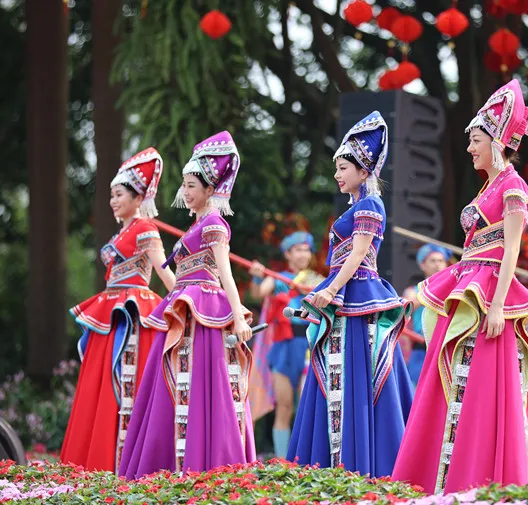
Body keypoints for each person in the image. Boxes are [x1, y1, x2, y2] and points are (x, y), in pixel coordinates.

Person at [392, 78, 528, 494]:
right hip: (467, 286)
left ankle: (479, 473)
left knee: (481, 387)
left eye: (476, 140)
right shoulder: (488, 186)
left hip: (486, 295)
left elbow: (511, 251)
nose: (470, 148)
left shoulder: (513, 187)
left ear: (497, 141)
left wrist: (499, 304)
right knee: (453, 382)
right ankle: (446, 474)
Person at [118, 131, 255, 478]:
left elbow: (225, 273)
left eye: (192, 185)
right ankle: (166, 465)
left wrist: (238, 315)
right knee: (170, 387)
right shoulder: (197, 224)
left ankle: (203, 464)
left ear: (210, 190)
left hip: (203, 316)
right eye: (184, 184)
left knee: (199, 389)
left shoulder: (213, 224)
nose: (185, 191)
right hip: (185, 312)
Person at [287, 111, 414, 477]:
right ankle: (334, 462)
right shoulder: (358, 206)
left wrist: (328, 290)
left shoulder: (370, 205)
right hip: (346, 299)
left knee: (358, 377)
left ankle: (364, 464)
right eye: (337, 168)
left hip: (358, 298)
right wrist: (326, 290)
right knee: (339, 377)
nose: (337, 174)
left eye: (343, 167)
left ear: (363, 170)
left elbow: (358, 255)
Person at [60, 148, 175, 472]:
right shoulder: (122, 231)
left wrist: (185, 299)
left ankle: (125, 461)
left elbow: (164, 271)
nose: (113, 200)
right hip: (111, 315)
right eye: (111, 194)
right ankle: (98, 457)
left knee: (128, 383)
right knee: (101, 386)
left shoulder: (145, 229)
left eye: (119, 194)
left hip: (133, 317)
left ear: (138, 198)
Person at [249, 231, 324, 459]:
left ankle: (308, 457)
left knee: (306, 406)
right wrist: (256, 277)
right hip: (283, 347)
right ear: (288, 254)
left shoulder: (318, 281)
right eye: (298, 250)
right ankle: (283, 460)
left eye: (306, 250)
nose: (303, 254)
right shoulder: (278, 277)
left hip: (309, 346)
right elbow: (258, 293)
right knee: (285, 406)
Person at [401, 245, 452, 387]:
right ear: (422, 265)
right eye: (433, 260)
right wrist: (431, 293)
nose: (437, 264)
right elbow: (406, 308)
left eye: (441, 261)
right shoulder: (414, 291)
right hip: (421, 349)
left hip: (445, 348)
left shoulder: (454, 290)